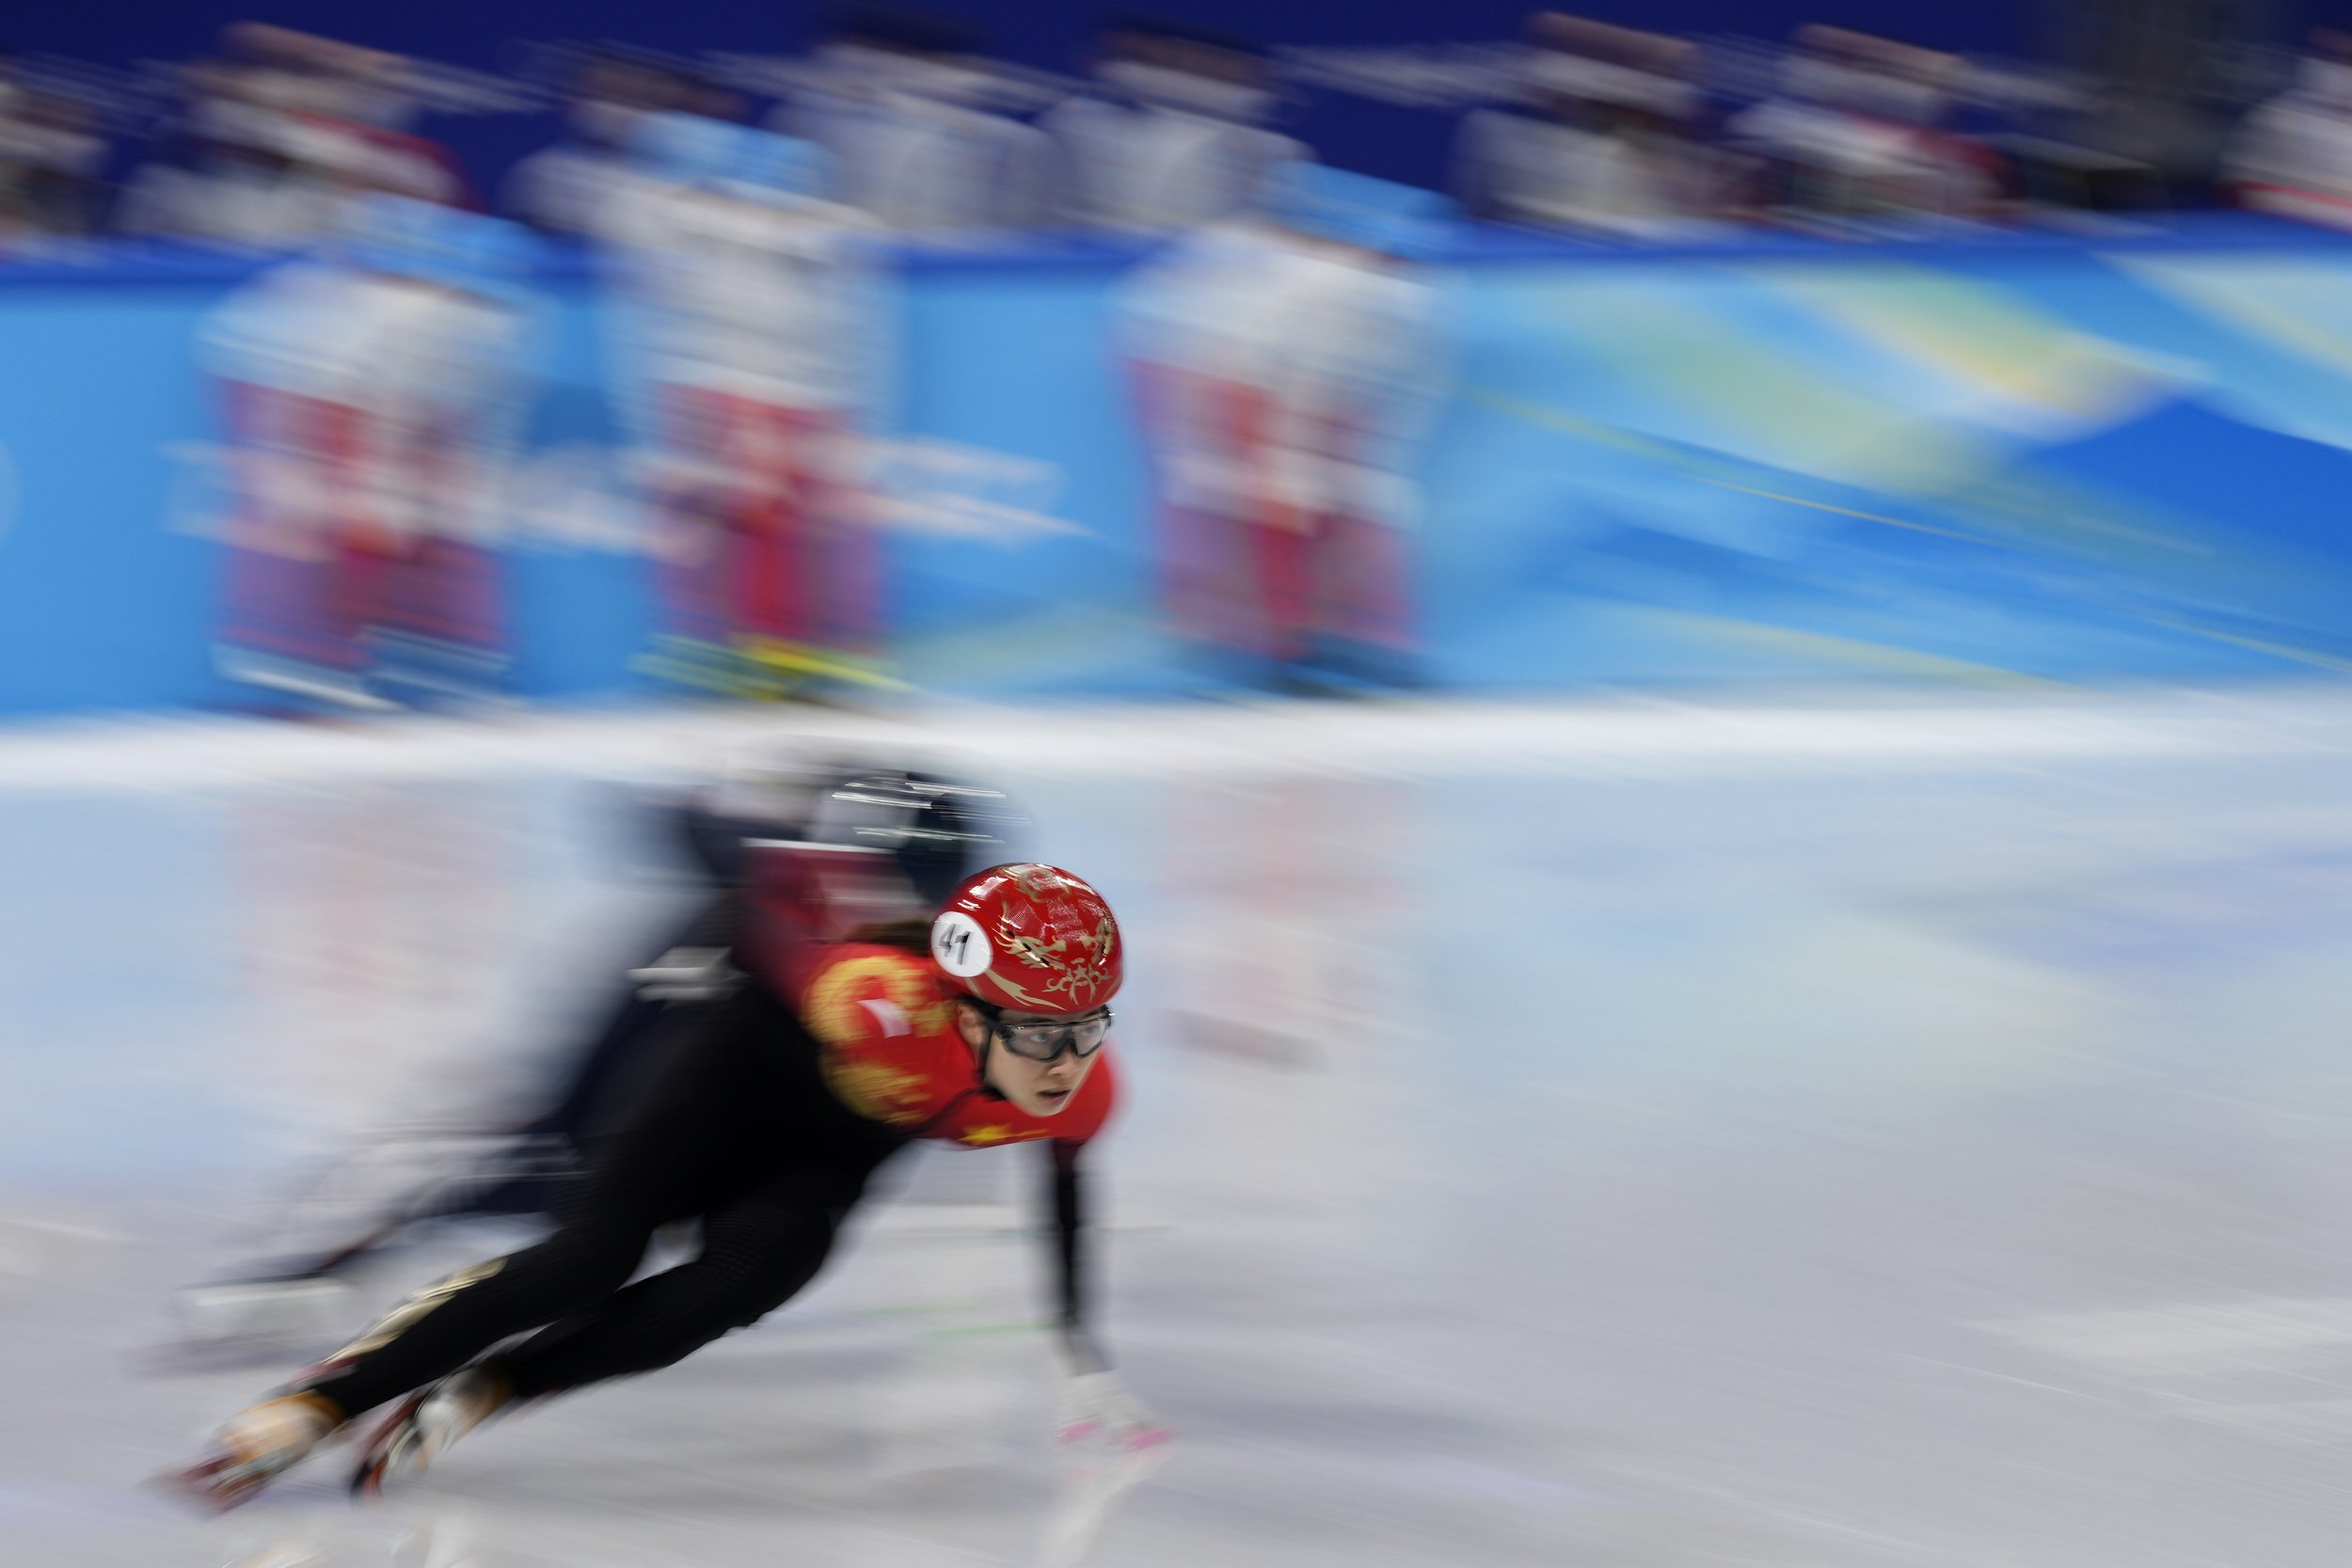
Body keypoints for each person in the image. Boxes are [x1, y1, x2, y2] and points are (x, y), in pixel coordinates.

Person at [167, 844, 1163, 1509]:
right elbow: (735, 915)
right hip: (721, 1078)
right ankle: (318, 1401)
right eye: (1039, 1030)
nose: (1064, 1058)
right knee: (586, 1257)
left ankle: (493, 1387)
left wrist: (1080, 1349)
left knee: (748, 1280)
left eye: (1085, 1027)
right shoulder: (874, 999)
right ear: (967, 1008)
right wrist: (573, 1104)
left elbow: (1065, 1197)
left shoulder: (1078, 1088)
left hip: (821, 1156)